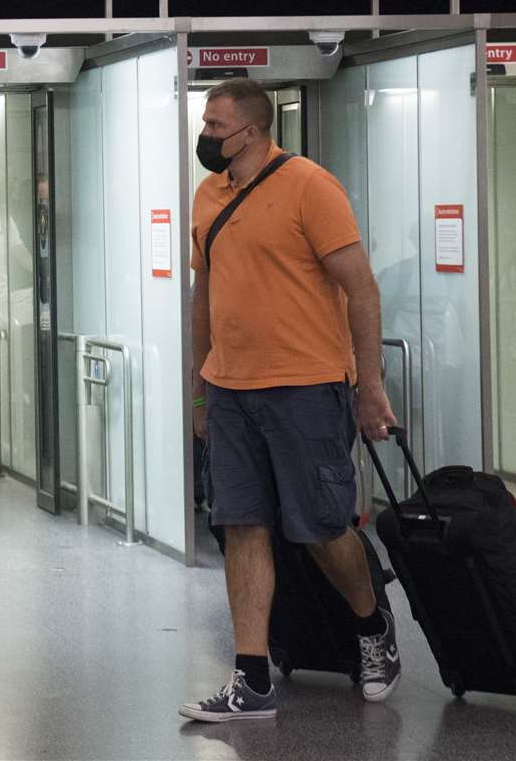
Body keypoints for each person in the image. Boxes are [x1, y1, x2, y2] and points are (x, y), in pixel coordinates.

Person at [179, 79, 400, 723]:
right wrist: (198, 388)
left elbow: (360, 289)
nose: (207, 136)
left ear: (252, 132)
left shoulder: (310, 186)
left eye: (217, 127)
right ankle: (251, 676)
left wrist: (370, 386)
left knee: (323, 528)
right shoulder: (207, 196)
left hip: (307, 387)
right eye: (206, 124)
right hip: (229, 390)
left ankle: (370, 625)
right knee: (240, 524)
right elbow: (205, 294)